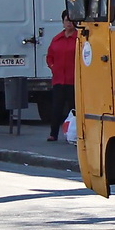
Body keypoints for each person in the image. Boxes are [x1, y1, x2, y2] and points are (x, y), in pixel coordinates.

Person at [46, 10, 77, 141]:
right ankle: (53, 134)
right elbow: (50, 57)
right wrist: (53, 67)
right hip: (59, 79)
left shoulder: (78, 38)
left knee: (74, 108)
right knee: (56, 108)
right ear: (63, 22)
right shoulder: (57, 39)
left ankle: (75, 134)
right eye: (66, 20)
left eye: (71, 20)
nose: (69, 23)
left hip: (73, 79)